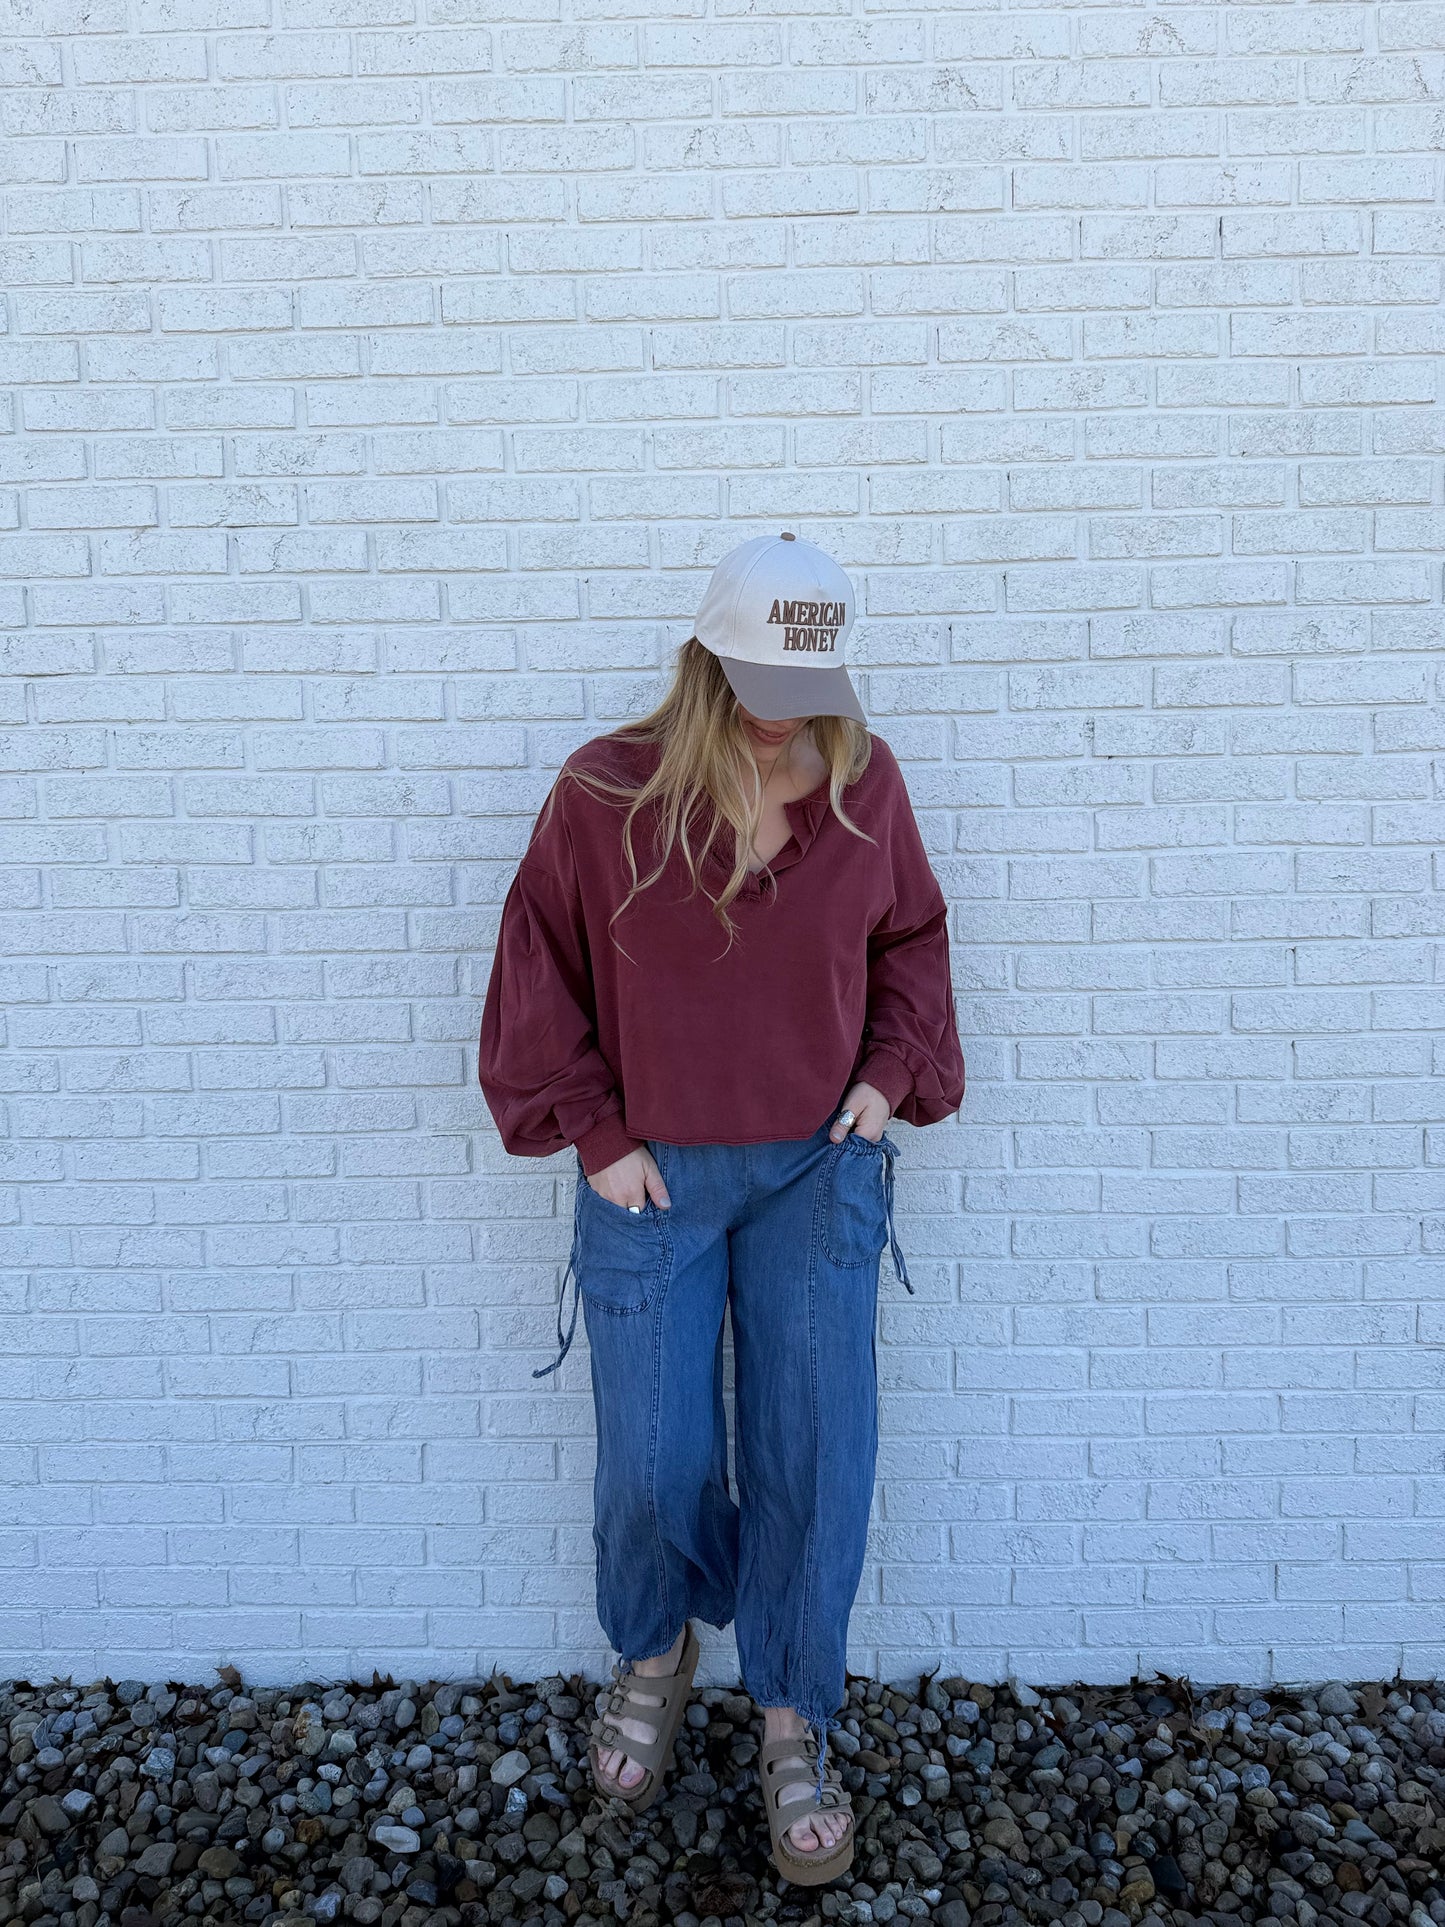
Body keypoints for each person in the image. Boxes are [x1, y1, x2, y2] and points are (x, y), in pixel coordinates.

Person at [477, 530, 966, 1885]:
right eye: (749, 666)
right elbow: (539, 963)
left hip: (819, 1172)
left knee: (814, 1451)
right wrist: (593, 1131)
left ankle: (793, 1712)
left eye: (798, 673)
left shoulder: (865, 791)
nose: (774, 699)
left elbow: (912, 940)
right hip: (652, 1179)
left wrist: (882, 1085)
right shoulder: (603, 793)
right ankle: (654, 1646)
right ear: (699, 650)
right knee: (651, 1454)